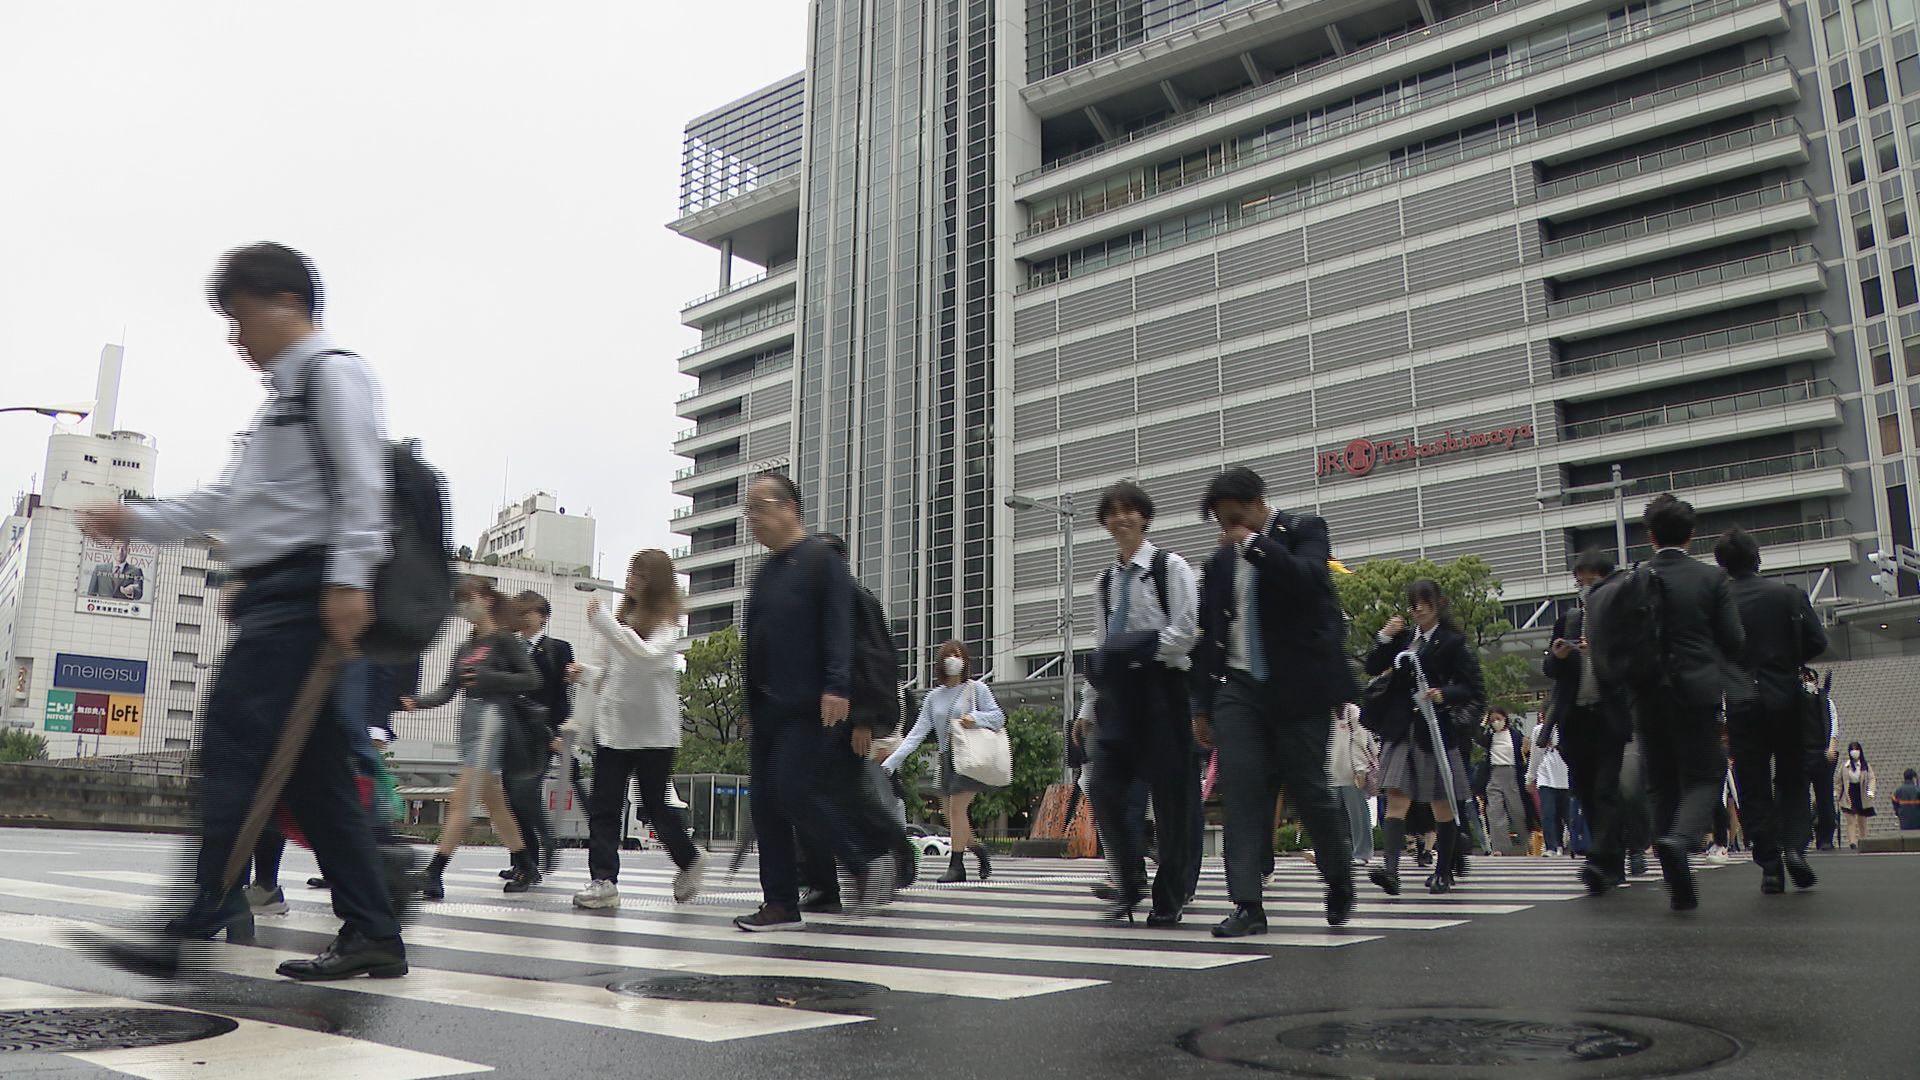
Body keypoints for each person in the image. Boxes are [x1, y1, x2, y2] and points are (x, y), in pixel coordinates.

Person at [78, 242, 406, 981]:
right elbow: (228, 502)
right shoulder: (278, 404)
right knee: (315, 777)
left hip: (307, 594)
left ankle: (196, 916)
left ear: (286, 304)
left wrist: (350, 580)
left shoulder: (333, 374)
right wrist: (134, 521)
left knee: (232, 751)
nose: (236, 339)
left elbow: (364, 483)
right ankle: (374, 932)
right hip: (282, 594)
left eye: (241, 317)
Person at [1190, 467, 1356, 936]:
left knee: (1311, 792)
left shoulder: (1305, 531)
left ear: (1261, 502)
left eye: (1237, 517)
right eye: (1222, 523)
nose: (1230, 529)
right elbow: (1210, 638)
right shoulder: (1219, 564)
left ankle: (1339, 879)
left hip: (1298, 687)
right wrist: (1201, 705)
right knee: (1241, 794)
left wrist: (1254, 544)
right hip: (1239, 689)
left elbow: (1308, 581)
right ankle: (1247, 904)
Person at [733, 471, 895, 932]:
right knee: (765, 805)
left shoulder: (822, 560)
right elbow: (755, 644)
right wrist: (748, 706)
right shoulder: (765, 572)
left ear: (790, 508)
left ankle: (864, 860)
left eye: (759, 507)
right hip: (767, 711)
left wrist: (839, 686)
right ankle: (780, 903)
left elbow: (840, 629)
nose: (752, 519)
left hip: (810, 706)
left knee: (796, 792)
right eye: (749, 510)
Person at [1069, 481, 1199, 924]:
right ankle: (1129, 880)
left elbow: (1185, 633)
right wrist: (1088, 706)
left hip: (1163, 691)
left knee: (1170, 801)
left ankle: (1170, 896)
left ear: (1145, 517)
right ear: (1105, 522)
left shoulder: (1169, 567)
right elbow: (1102, 647)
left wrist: (1138, 650)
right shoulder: (1104, 583)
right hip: (1118, 699)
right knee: (1103, 788)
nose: (1121, 518)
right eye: (1113, 512)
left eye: (1130, 511)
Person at [1611, 496, 1745, 911]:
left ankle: (1679, 885)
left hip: (1647, 695)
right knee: (1706, 774)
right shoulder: (1711, 579)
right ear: (1691, 534)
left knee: (1662, 784)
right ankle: (1681, 840)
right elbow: (1734, 639)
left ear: (1650, 536)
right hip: (1696, 692)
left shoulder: (1632, 580)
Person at [567, 551, 706, 910]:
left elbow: (646, 659)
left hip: (653, 734)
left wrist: (605, 625)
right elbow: (611, 673)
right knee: (605, 808)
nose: (631, 579)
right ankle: (604, 880)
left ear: (656, 581)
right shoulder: (620, 620)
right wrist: (585, 672)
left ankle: (689, 860)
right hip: (613, 730)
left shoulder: (666, 625)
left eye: (640, 574)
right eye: (630, 572)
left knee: (655, 807)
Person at [402, 576, 542, 898]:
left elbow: (531, 679)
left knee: (460, 799)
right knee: (494, 803)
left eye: (469, 598)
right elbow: (449, 689)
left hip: (493, 720)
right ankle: (526, 863)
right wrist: (419, 701)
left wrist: (488, 676)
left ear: (486, 599)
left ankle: (434, 872)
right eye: (460, 601)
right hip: (469, 722)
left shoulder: (504, 641)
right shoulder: (466, 646)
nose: (464, 607)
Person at [1715, 527, 1827, 893]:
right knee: (1792, 776)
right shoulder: (1788, 597)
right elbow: (1817, 641)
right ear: (1757, 558)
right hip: (1786, 697)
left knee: (1753, 783)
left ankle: (1770, 865)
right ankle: (1795, 847)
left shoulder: (1719, 603)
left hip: (1742, 701)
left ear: (1723, 565)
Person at [1365, 579, 1484, 896]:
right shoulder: (1404, 639)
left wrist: (1443, 694)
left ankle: (1444, 870)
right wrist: (1384, 637)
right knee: (1396, 797)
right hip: (1401, 727)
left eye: (1423, 602)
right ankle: (1391, 871)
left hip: (1435, 728)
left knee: (1442, 802)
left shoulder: (1452, 643)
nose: (1417, 608)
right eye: (1413, 602)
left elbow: (1472, 688)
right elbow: (1372, 666)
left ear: (1438, 604)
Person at [1542, 550, 1639, 893]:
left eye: (1591, 580)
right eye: (1579, 580)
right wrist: (1559, 655)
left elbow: (1631, 667)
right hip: (1575, 718)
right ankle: (1610, 859)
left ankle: (1602, 857)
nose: (1585, 587)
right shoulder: (1569, 619)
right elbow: (1550, 671)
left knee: (1605, 789)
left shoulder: (1619, 621)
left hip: (1608, 716)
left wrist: (1598, 650)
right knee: (1583, 789)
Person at [884, 640, 1007, 884]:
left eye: (959, 655)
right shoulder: (933, 697)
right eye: (949, 655)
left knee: (956, 810)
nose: (954, 659)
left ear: (965, 662)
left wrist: (976, 718)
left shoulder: (977, 689)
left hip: (969, 756)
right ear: (941, 661)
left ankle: (957, 866)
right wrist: (891, 763)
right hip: (946, 758)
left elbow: (999, 717)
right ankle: (979, 850)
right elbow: (916, 734)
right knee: (952, 818)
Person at [505, 590, 577, 880]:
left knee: (525, 792)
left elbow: (563, 695)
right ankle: (523, 860)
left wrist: (559, 732)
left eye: (529, 612)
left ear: (543, 616)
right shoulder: (509, 647)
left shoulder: (558, 648)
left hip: (543, 732)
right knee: (511, 796)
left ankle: (541, 848)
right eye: (519, 612)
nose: (523, 618)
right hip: (512, 731)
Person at [1330, 702, 1377, 866]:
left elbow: (1360, 741)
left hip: (1351, 773)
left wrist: (1361, 769)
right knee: (1334, 818)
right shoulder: (1320, 712)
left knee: (1358, 816)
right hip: (1329, 773)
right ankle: (1339, 852)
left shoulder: (1351, 711)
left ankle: (1362, 852)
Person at [1478, 709, 1528, 856]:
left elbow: (1524, 752)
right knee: (1494, 812)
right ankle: (1499, 848)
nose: (1496, 722)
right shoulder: (1490, 737)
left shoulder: (1515, 735)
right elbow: (1477, 736)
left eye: (1498, 718)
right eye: (1492, 720)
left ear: (1505, 718)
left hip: (1512, 773)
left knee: (1517, 812)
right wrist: (1484, 722)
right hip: (1494, 773)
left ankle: (1524, 844)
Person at [1802, 667, 1843, 850]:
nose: (1807, 682)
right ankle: (1801, 836)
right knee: (1800, 798)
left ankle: (1826, 837)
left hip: (1822, 753)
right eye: (1803, 678)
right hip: (1800, 755)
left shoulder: (1826, 701)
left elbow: (1833, 724)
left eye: (1810, 678)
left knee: (1825, 798)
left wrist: (1832, 747)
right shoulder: (1794, 701)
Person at [1528, 720, 1573, 858]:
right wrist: (1530, 778)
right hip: (1545, 776)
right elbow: (1534, 755)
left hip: (1566, 776)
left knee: (1568, 815)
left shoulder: (1571, 727)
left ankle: (1574, 844)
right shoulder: (1539, 730)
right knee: (1548, 812)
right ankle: (1551, 847)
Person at [1837, 742, 1877, 849]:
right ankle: (1852, 842)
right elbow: (1839, 782)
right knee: (1851, 821)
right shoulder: (1845, 766)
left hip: (1862, 793)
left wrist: (1871, 791)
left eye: (1856, 749)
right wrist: (1838, 795)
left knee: (1862, 822)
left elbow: (1872, 779)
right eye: (1852, 749)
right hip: (1849, 793)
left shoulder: (1865, 766)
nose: (1854, 752)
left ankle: (1863, 840)